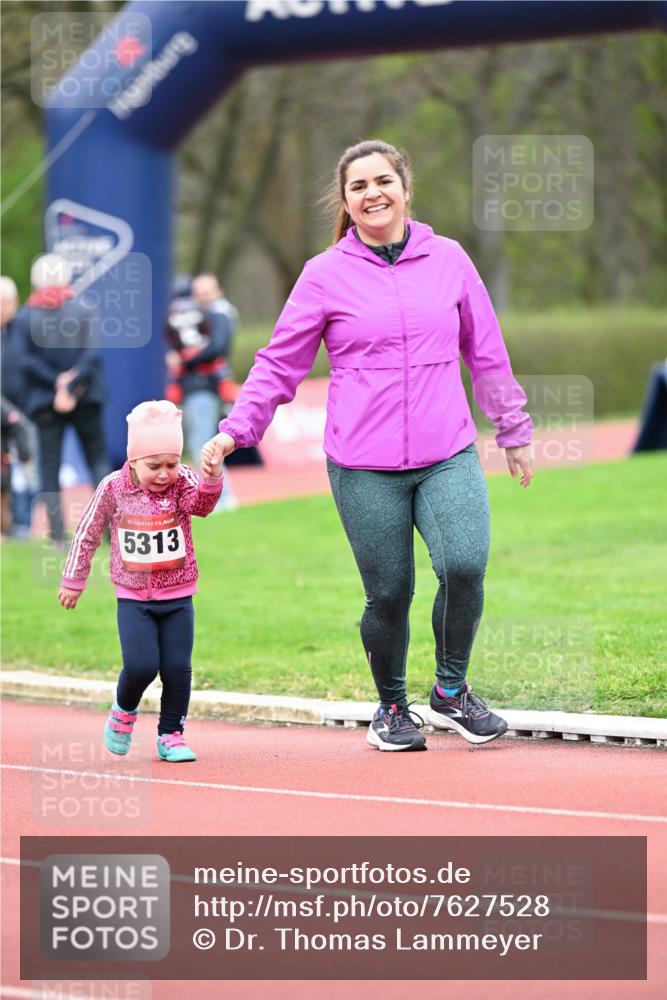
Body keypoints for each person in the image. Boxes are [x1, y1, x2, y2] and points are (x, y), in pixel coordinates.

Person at [202, 139, 534, 752]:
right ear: (347, 202)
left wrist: (512, 428)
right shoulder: (323, 274)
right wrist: (236, 429)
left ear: (406, 187)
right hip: (362, 463)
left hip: (447, 449)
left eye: (383, 181)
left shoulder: (451, 259)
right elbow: (280, 362)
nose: (373, 193)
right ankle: (391, 708)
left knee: (464, 565)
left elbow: (485, 349)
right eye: (359, 186)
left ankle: (451, 692)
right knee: (390, 592)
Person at [58, 400, 223, 762]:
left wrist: (211, 478)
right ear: (133, 461)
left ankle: (171, 735)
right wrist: (74, 580)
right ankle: (123, 709)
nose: (164, 474)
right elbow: (88, 532)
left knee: (178, 669)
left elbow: (203, 506)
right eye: (154, 466)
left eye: (171, 463)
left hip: (179, 595)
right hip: (134, 597)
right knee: (141, 665)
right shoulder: (113, 488)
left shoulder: (183, 482)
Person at [18, 254, 109, 545]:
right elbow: (92, 355)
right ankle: (109, 531)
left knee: (49, 467)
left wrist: (57, 384)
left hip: (45, 401)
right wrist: (73, 383)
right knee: (97, 459)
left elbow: (24, 360)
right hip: (87, 397)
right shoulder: (85, 309)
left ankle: (57, 536)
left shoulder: (24, 316)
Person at [165, 271, 238, 508]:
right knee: (203, 440)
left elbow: (217, 347)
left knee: (203, 442)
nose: (203, 297)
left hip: (206, 387)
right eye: (200, 293)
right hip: (198, 386)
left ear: (218, 292)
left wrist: (183, 360)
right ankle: (218, 497)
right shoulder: (194, 315)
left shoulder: (220, 314)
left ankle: (220, 498)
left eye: (208, 292)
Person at [1, 275, 38, 537]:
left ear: (15, 302)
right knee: (5, 471)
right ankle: (11, 524)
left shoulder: (27, 326)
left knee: (28, 464)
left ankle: (25, 522)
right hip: (2, 412)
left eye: (4, 302)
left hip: (26, 409)